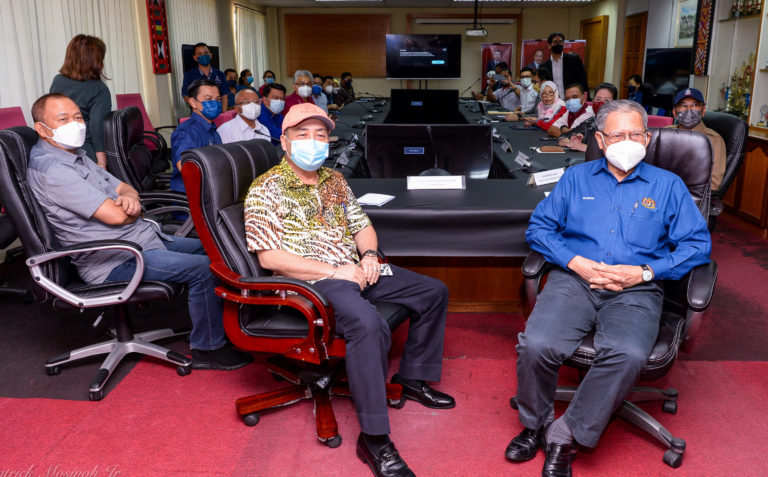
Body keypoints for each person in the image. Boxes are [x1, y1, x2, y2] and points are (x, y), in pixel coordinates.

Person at [244, 103, 455, 477]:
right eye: (303, 135)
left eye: (321, 135)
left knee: (433, 291)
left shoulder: (335, 180)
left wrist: (370, 255)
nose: (314, 142)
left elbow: (362, 226)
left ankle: (411, 378)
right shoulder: (265, 189)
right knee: (367, 323)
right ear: (285, 142)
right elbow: (270, 258)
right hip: (312, 283)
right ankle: (374, 439)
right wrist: (336, 270)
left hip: (355, 270)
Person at [506, 99, 711, 477]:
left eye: (636, 133)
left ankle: (565, 434)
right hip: (575, 282)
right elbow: (539, 230)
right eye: (618, 134)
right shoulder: (574, 178)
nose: (628, 141)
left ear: (648, 138)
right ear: (600, 139)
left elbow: (698, 246)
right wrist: (574, 261)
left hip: (636, 289)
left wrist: (644, 273)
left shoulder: (669, 186)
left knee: (628, 352)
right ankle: (534, 425)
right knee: (537, 344)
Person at [27, 93, 253, 370]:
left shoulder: (74, 155)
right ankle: (208, 348)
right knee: (206, 269)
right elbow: (116, 216)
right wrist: (129, 205)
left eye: (77, 117)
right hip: (116, 258)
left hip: (142, 239)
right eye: (63, 119)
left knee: (223, 249)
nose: (75, 123)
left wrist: (130, 197)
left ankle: (238, 326)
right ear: (41, 128)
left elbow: (124, 188)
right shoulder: (53, 170)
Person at [49, 34, 111, 169]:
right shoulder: (99, 89)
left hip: (59, 149)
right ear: (95, 60)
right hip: (86, 151)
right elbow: (97, 128)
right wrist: (102, 162)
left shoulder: (58, 80)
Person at [668, 88, 727, 190]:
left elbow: (713, 184)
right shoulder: (666, 134)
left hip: (691, 197)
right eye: (683, 106)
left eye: (694, 105)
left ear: (703, 111)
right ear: (674, 112)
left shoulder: (714, 140)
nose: (689, 110)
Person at [170, 79, 222, 193]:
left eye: (218, 99)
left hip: (212, 191)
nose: (215, 103)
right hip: (192, 198)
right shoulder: (186, 132)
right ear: (193, 102)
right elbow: (187, 169)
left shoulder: (213, 130)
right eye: (208, 99)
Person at [558, 82, 617, 152]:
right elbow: (562, 137)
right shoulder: (590, 122)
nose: (601, 103)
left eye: (607, 100)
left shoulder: (620, 125)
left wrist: (587, 148)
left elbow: (618, 152)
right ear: (593, 101)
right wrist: (572, 143)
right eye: (598, 99)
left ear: (615, 103)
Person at [181, 43, 228, 112]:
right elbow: (186, 96)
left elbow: (224, 96)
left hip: (218, 113)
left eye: (206, 53)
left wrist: (223, 114)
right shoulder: (189, 75)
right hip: (199, 114)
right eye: (199, 54)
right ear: (195, 57)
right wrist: (200, 108)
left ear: (210, 55)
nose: (203, 55)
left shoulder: (220, 74)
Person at [540, 32, 589, 98]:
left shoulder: (574, 60)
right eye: (555, 42)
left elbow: (583, 80)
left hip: (572, 100)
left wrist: (587, 98)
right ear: (549, 45)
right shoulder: (544, 66)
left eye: (560, 41)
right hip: (553, 102)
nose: (558, 44)